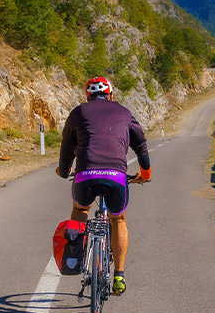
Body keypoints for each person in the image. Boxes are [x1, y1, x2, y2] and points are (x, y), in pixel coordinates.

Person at [55, 76, 152, 295]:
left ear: (87, 97)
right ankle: (118, 276)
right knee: (118, 219)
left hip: (85, 175)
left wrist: (63, 171)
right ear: (111, 95)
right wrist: (145, 173)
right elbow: (141, 145)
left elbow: (67, 148)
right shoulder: (124, 113)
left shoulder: (78, 113)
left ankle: (76, 257)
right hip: (116, 176)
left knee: (81, 209)